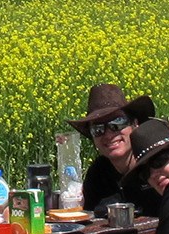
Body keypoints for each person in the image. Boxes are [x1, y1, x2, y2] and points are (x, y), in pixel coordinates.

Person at [68, 83, 162, 218]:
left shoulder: (157, 164)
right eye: (98, 129)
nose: (108, 135)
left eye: (117, 123)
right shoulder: (98, 173)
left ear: (135, 125)